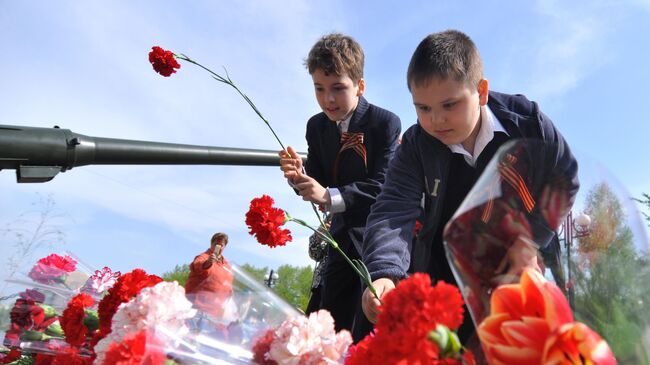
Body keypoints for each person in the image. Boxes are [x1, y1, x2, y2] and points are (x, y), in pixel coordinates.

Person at [360, 30, 579, 343]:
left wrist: (530, 239)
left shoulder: (528, 123)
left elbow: (565, 177)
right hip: (447, 279)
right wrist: (384, 271)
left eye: (449, 105)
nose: (436, 120)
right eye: (423, 108)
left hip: (518, 271)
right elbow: (393, 209)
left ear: (482, 90)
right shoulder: (415, 146)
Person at [279, 33, 401, 339]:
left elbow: (382, 184)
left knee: (369, 325)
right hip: (340, 240)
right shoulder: (316, 126)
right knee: (329, 322)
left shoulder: (384, 123)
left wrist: (329, 195)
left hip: (376, 241)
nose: (328, 99)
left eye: (338, 89)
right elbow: (319, 182)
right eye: (319, 89)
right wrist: (299, 178)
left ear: (360, 86)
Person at [185, 232, 234, 318]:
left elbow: (228, 282)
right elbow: (197, 265)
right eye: (216, 244)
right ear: (211, 244)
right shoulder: (203, 256)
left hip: (215, 311)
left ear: (224, 247)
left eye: (221, 245)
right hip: (198, 308)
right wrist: (208, 262)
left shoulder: (226, 264)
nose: (218, 247)